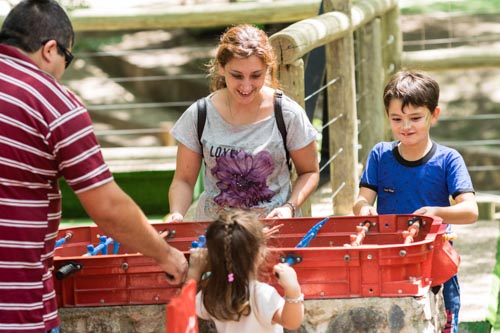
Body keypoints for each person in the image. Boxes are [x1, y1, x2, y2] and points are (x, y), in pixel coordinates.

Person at [0, 1, 188, 332]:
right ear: (50, 50)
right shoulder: (53, 102)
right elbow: (107, 207)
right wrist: (166, 255)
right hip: (16, 304)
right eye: (67, 60)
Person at [352, 70, 478, 333]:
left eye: (415, 118)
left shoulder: (448, 159)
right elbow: (362, 199)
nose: (406, 126)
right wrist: (364, 208)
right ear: (387, 116)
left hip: (437, 263)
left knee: (441, 325)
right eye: (397, 118)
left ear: (434, 115)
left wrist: (437, 212)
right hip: (389, 261)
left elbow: (470, 211)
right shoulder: (380, 155)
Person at [166, 24, 319, 222]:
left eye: (256, 75)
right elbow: (184, 180)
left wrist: (289, 207)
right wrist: (177, 213)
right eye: (237, 75)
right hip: (216, 232)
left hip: (272, 229)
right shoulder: (199, 114)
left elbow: (309, 172)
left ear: (268, 68)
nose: (246, 86)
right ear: (221, 68)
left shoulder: (287, 113)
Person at [187, 209, 304, 332]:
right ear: (260, 253)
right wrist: (293, 290)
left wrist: (194, 272)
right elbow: (291, 322)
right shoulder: (261, 294)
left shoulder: (212, 294)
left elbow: (187, 305)